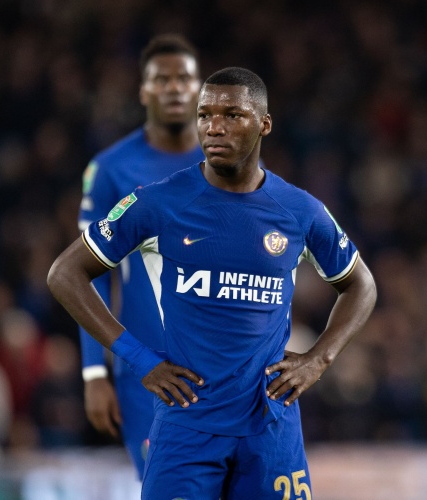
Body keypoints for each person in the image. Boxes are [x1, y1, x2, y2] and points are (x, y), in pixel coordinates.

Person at [49, 67, 377, 498]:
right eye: (205, 115)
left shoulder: (300, 211)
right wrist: (139, 358)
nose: (214, 127)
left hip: (270, 428)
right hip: (186, 426)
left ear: (264, 124)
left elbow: (361, 285)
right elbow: (65, 274)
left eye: (232, 115)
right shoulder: (157, 203)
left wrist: (319, 359)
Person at [76, 34, 203, 479]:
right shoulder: (111, 169)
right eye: (161, 79)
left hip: (224, 368)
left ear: (200, 89)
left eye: (184, 78)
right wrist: (94, 372)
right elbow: (86, 275)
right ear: (144, 91)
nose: (174, 88)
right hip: (149, 374)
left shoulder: (230, 162)